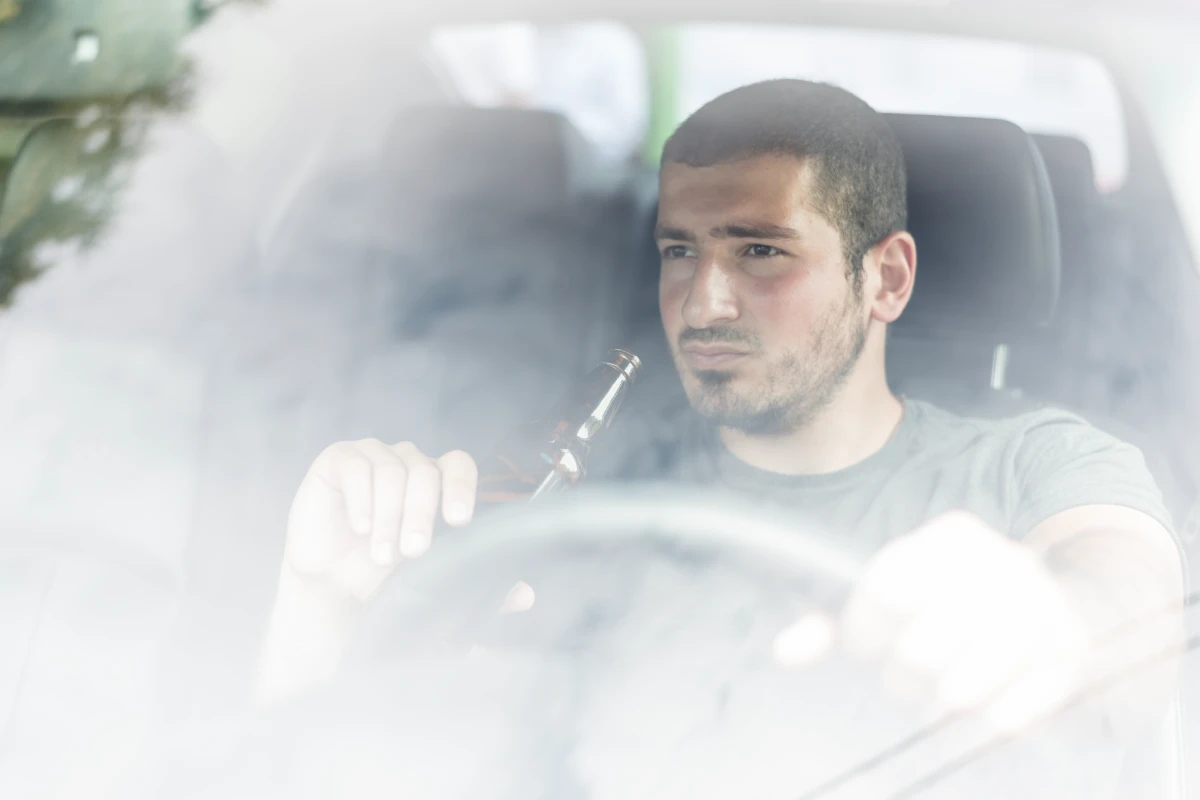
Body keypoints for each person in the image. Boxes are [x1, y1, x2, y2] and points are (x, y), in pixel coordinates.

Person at [256, 80, 1183, 751]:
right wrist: (321, 607)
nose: (704, 302)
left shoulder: (1038, 466)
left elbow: (1132, 605)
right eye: (678, 251)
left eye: (761, 251)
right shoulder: (580, 491)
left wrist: (1055, 621)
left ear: (887, 278)